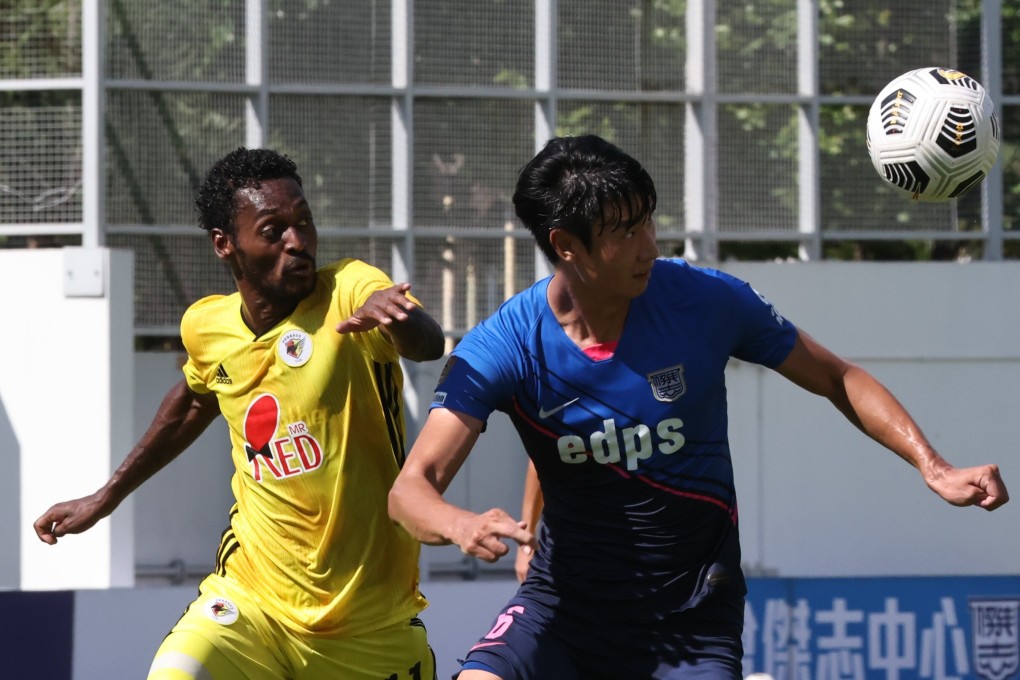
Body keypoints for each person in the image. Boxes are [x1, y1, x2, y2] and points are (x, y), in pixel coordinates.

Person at [387, 134, 1009, 680]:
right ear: (566, 246)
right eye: (625, 232)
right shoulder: (505, 344)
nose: (648, 246)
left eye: (648, 222)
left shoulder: (706, 302)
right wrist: (458, 524)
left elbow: (836, 377)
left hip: (691, 620)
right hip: (563, 608)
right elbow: (409, 490)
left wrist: (934, 466)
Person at [34, 148, 445, 680]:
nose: (297, 242)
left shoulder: (348, 289)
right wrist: (104, 496)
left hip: (370, 624)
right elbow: (193, 400)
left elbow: (427, 344)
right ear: (224, 244)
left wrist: (396, 318)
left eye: (304, 223)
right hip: (252, 605)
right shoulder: (207, 327)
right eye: (273, 230)